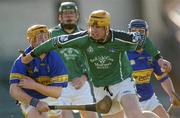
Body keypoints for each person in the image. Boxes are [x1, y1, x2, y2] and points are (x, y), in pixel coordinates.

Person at [21, 10, 170, 118]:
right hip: (100, 88)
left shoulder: (120, 38)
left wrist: (159, 58)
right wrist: (31, 55)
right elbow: (54, 42)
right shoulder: (83, 38)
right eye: (92, 26)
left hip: (122, 83)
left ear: (107, 28)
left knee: (134, 114)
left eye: (98, 27)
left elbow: (144, 40)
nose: (94, 30)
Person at [49, 2, 97, 118]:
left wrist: (84, 77)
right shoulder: (50, 35)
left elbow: (93, 61)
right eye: (65, 13)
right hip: (59, 86)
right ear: (59, 17)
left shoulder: (86, 36)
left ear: (77, 16)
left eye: (71, 13)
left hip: (81, 84)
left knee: (91, 116)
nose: (69, 16)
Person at [9, 24, 68, 118]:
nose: (44, 40)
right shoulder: (22, 59)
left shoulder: (55, 58)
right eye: (39, 37)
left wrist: (34, 85)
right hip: (29, 99)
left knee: (66, 114)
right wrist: (35, 102)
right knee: (35, 113)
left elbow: (57, 93)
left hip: (51, 97)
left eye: (46, 37)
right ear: (30, 40)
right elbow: (14, 90)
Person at [126, 19, 178, 118]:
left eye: (141, 31)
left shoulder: (152, 53)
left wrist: (172, 95)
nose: (138, 35)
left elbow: (162, 77)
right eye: (134, 31)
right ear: (129, 33)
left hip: (149, 99)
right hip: (130, 102)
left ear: (147, 33)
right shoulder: (123, 53)